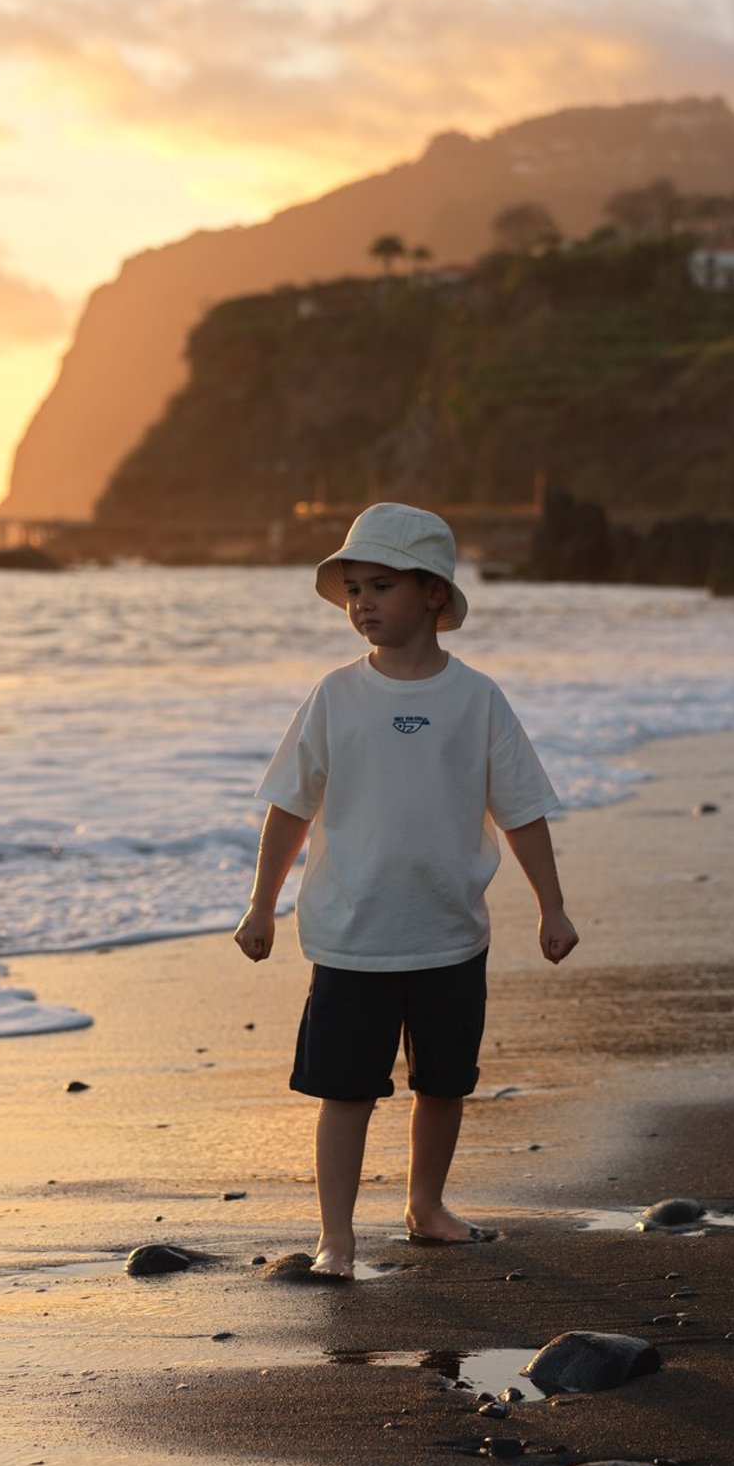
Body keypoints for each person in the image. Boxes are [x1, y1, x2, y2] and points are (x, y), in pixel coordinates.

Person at [234, 502, 578, 1279]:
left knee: (444, 1084)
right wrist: (261, 905)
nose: (360, 603)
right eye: (352, 587)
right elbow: (289, 806)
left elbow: (521, 809)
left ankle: (427, 1205)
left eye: (379, 586)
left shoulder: (476, 697)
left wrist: (552, 906)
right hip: (353, 934)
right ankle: (337, 1238)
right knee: (345, 1093)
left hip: (450, 931)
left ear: (431, 594)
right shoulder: (335, 695)